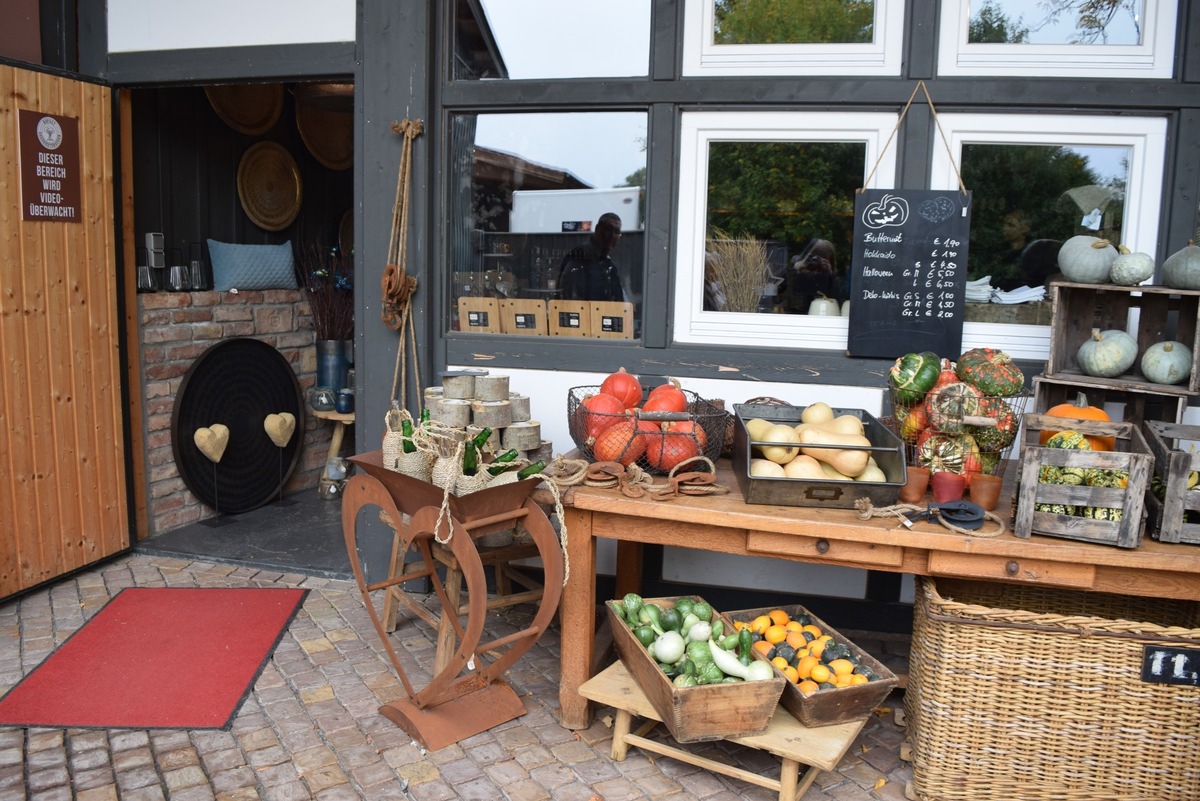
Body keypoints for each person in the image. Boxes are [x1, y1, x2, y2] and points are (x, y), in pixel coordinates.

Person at [557, 212, 626, 302]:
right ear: (598, 229)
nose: (612, 236)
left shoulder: (607, 263)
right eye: (609, 229)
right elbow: (571, 299)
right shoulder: (581, 257)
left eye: (617, 232)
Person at [779, 238, 837, 314]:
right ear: (805, 257)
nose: (816, 263)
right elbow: (779, 294)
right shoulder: (795, 274)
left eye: (822, 260)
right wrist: (796, 270)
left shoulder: (829, 278)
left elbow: (836, 299)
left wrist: (830, 275)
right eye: (812, 258)